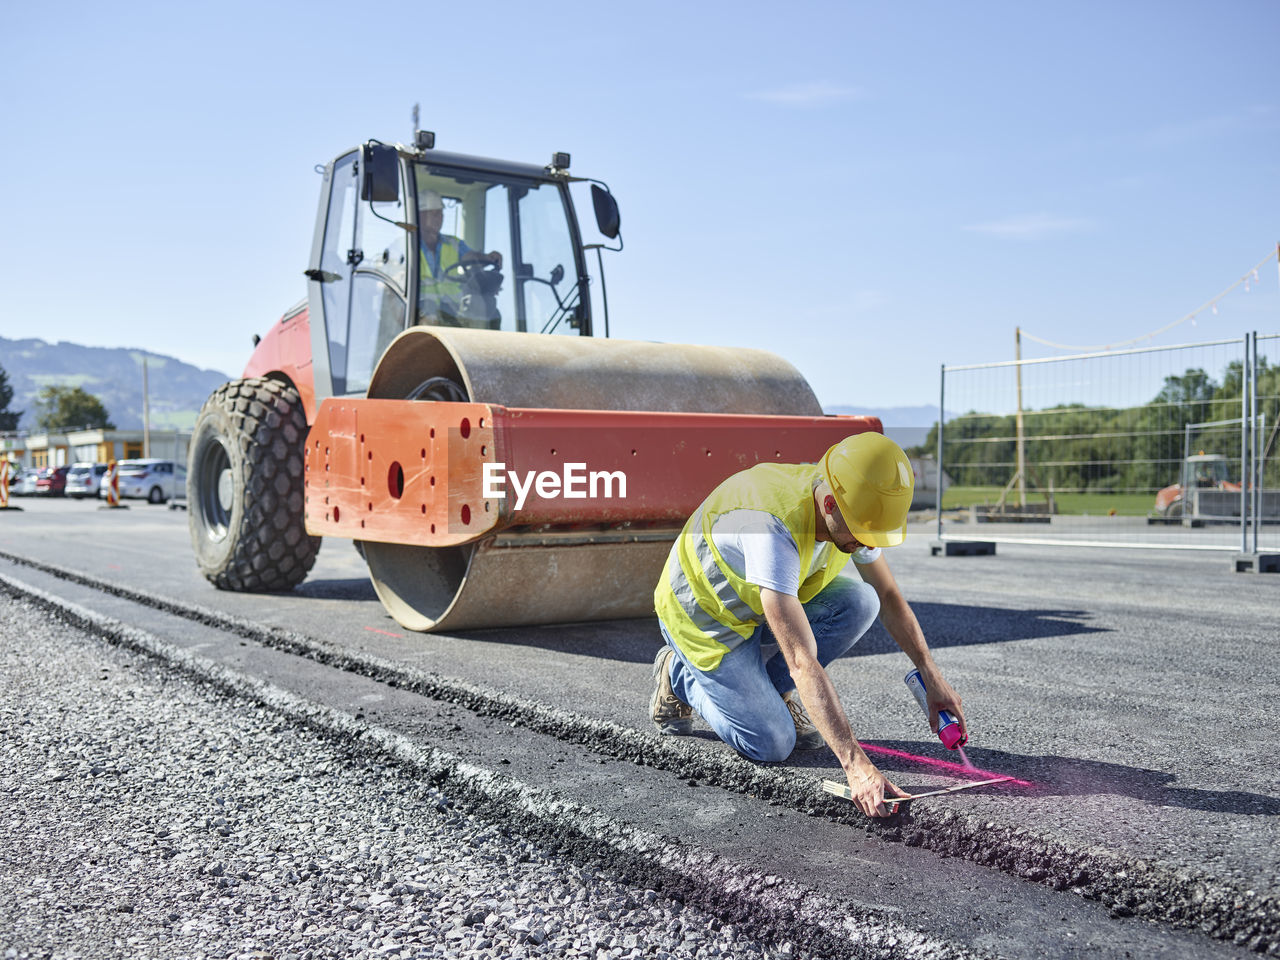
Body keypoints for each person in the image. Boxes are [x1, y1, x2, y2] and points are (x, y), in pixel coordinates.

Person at [650, 432, 968, 818]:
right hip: (704, 617)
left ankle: (771, 694)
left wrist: (930, 675)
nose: (867, 543)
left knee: (861, 601)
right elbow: (801, 658)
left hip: (759, 602)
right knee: (772, 742)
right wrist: (856, 765)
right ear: (830, 503)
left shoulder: (851, 502)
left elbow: (888, 598)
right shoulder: (771, 529)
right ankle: (679, 675)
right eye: (863, 533)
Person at [416, 189, 503, 324]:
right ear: (420, 216)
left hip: (451, 311)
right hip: (420, 314)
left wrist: (487, 258)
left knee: (491, 312)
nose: (439, 218)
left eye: (441, 213)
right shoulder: (408, 246)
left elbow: (471, 257)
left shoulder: (454, 244)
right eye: (433, 214)